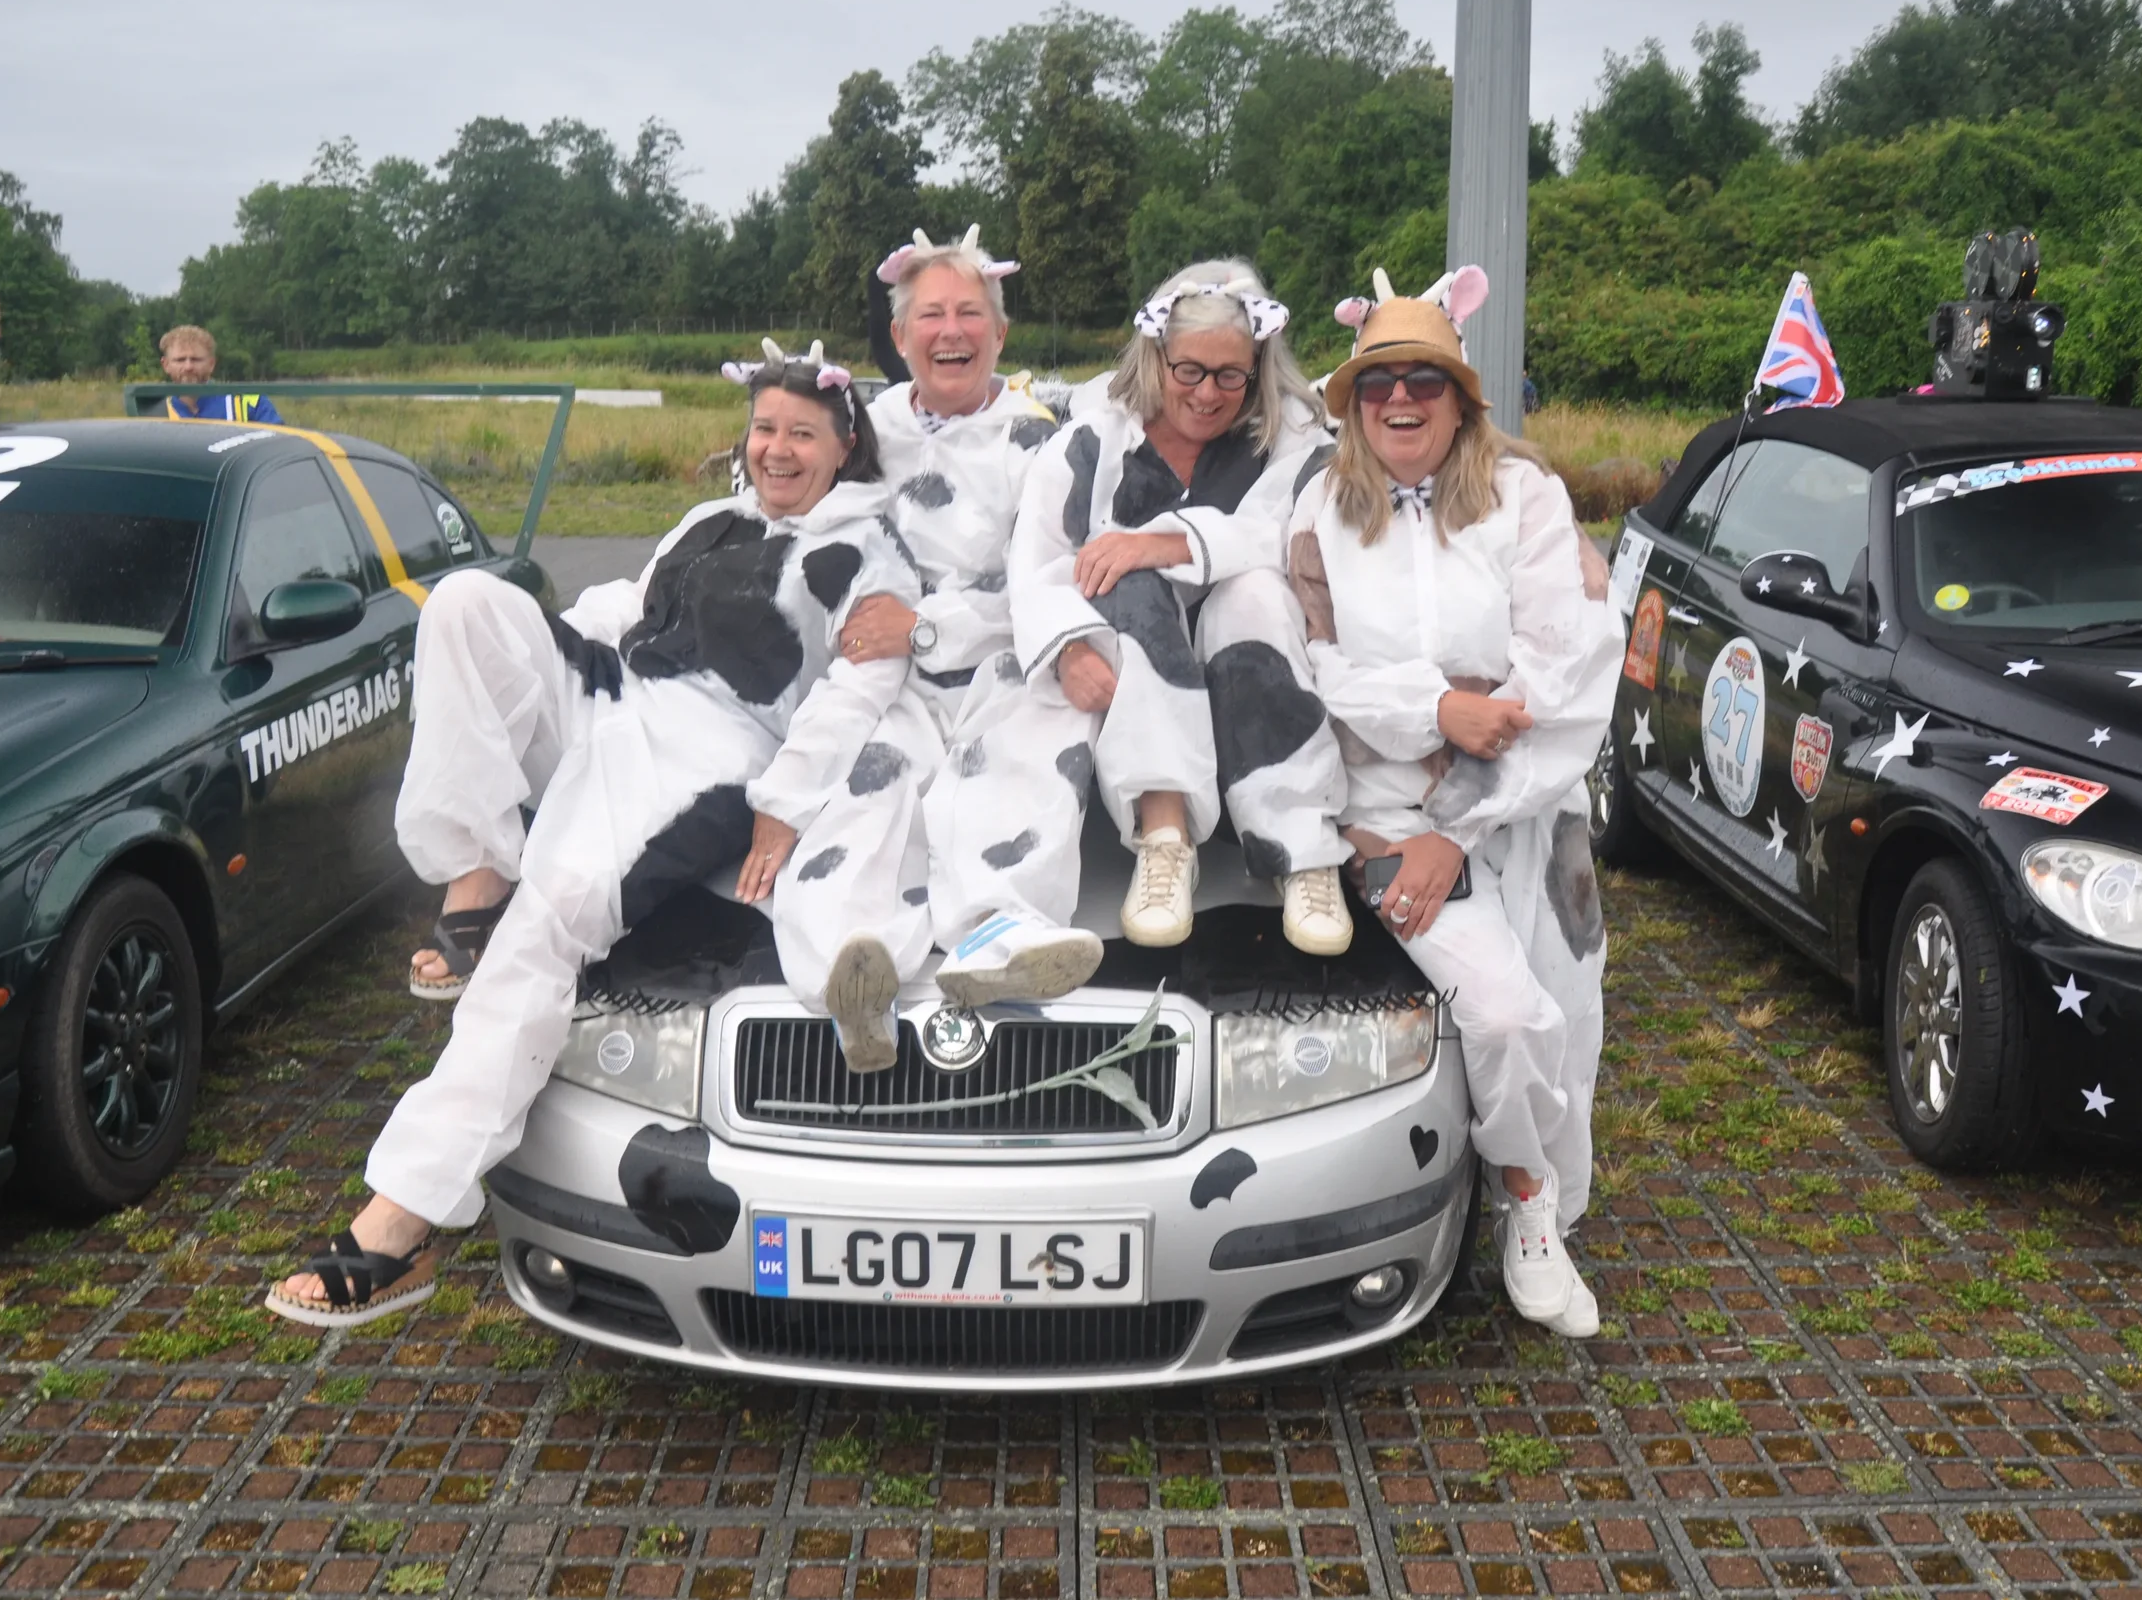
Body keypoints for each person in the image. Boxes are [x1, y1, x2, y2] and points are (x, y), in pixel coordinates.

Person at [271, 339, 917, 1326]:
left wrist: (782, 808)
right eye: (764, 428)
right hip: (617, 691)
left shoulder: (865, 550)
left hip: (710, 744)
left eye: (801, 433)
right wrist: (543, 644)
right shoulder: (711, 517)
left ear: (843, 446)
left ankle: (398, 1224)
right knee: (466, 604)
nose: (777, 449)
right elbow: (628, 605)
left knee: (559, 911)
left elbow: (856, 689)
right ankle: (473, 877)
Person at [1288, 266, 1621, 1338]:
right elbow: (1317, 671)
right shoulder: (1321, 511)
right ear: (1348, 399)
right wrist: (1436, 707)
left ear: (1461, 398)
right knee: (1507, 1013)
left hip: (1524, 809)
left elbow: (1562, 671)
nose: (1399, 399)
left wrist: (1456, 824)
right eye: (1377, 379)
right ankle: (1524, 1198)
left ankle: (1544, 1203)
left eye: (1423, 381)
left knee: (1563, 1020)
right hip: (1383, 819)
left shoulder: (1525, 500)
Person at [925, 259, 1352, 1005]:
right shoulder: (1090, 444)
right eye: (1190, 370)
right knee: (1033, 712)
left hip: (1246, 674)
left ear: (1258, 370)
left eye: (1231, 376)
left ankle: (1303, 851)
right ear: (1156, 358)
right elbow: (1038, 564)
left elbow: (1288, 532)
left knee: (1249, 591)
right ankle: (1076, 880)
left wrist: (1164, 541)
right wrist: (1065, 650)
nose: (1207, 394)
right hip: (1122, 667)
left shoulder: (1292, 443)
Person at [764, 226, 1087, 1068]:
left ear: (1001, 335)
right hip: (889, 677)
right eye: (931, 315)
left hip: (1003, 662)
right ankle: (849, 974)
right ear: (900, 337)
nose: (952, 331)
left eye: (971, 314)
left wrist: (931, 626)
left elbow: (1044, 575)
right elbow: (787, 516)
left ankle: (999, 932)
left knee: (1016, 774)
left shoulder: (1040, 442)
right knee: (866, 804)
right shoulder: (861, 433)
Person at [158, 325, 281, 422]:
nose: (188, 367)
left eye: (196, 359)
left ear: (212, 364)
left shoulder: (249, 402)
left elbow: (278, 445)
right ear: (166, 365)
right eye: (180, 360)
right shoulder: (150, 410)